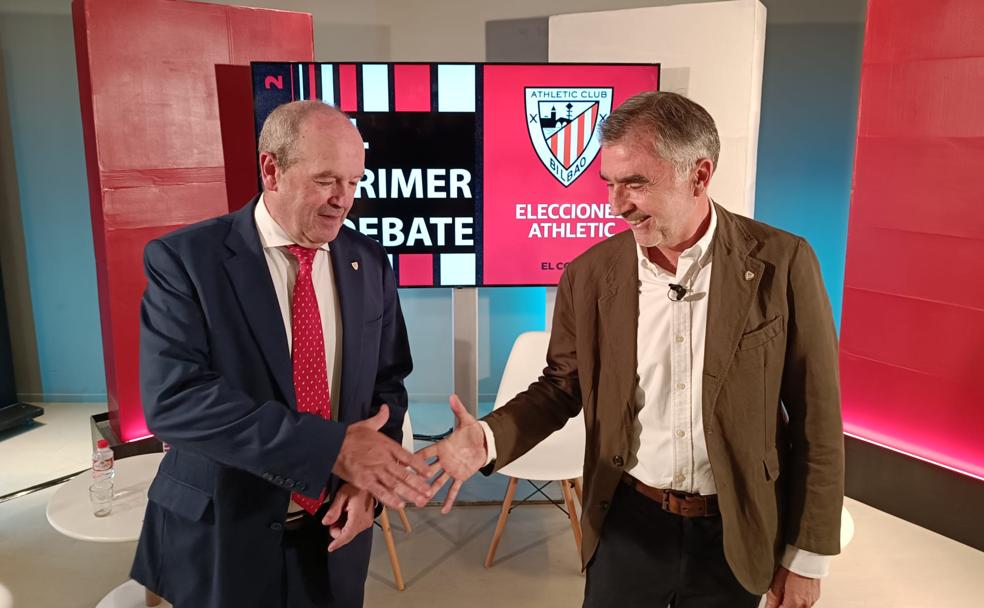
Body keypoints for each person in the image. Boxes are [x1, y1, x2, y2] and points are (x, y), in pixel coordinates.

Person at [424, 91, 844, 608]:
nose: (616, 204)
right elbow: (561, 388)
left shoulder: (783, 262)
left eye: (636, 184)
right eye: (610, 184)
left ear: (699, 175)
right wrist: (487, 439)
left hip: (737, 531)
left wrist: (807, 557)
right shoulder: (590, 274)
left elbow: (816, 421)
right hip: (627, 525)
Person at [131, 101, 436, 608]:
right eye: (326, 180)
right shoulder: (186, 261)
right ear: (271, 170)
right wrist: (329, 449)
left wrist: (368, 488)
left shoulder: (368, 261)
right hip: (221, 538)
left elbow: (387, 384)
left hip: (333, 535)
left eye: (355, 183)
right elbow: (175, 401)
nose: (344, 201)